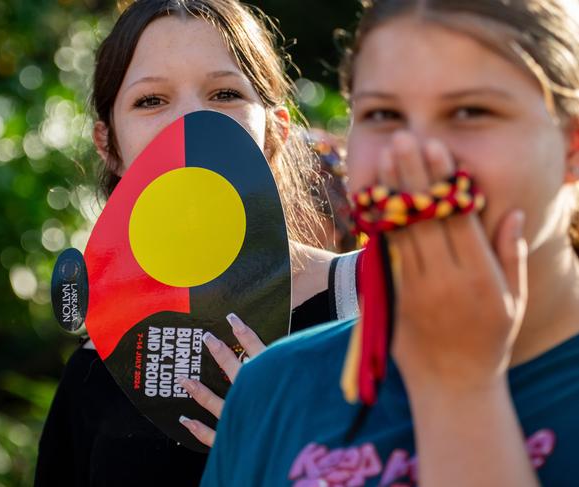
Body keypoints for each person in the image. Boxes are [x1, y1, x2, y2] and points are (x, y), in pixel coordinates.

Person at [201, 1, 579, 485]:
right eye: (382, 113)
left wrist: (461, 389)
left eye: (470, 111)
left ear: (570, 145)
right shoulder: (274, 390)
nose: (410, 154)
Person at [34, 1, 361, 485]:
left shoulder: (367, 302)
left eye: (225, 93)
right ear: (109, 145)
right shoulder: (100, 359)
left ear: (275, 131)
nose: (191, 121)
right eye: (151, 100)